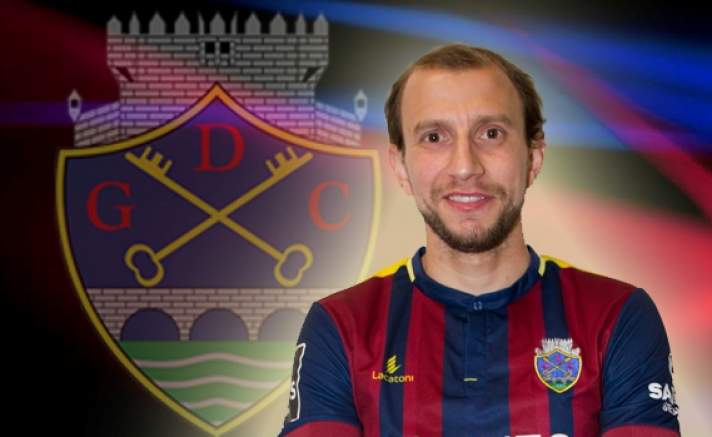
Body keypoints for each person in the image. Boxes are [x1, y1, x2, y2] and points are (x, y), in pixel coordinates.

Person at [278, 44, 680, 437]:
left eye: (491, 133)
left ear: (534, 156)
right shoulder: (342, 326)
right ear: (400, 166)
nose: (465, 166)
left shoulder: (616, 316)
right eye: (434, 137)